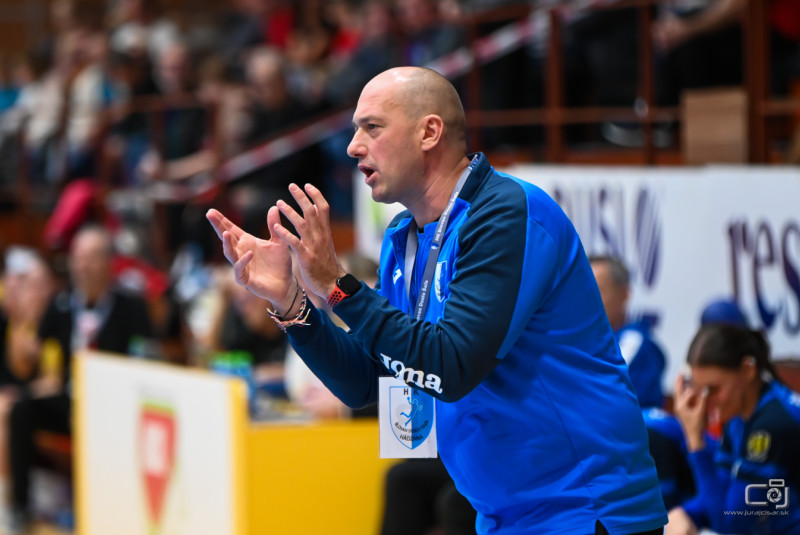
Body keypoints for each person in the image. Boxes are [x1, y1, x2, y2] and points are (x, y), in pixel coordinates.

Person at [207, 66, 667, 534]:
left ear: (429, 132)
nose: (353, 146)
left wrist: (337, 286)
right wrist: (291, 303)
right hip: (505, 516)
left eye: (372, 127)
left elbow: (451, 367)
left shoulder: (507, 213)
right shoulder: (403, 239)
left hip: (586, 509)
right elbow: (366, 381)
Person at [6, 224, 155, 533]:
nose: (82, 266)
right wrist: (23, 314)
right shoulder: (61, 305)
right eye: (77, 258)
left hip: (115, 406)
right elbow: (28, 359)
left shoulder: (130, 306)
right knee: (20, 410)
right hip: (71, 400)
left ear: (108, 263)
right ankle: (20, 508)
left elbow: (150, 356)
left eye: (90, 258)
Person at [666, 324, 800, 535]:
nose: (706, 401)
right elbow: (719, 495)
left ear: (748, 370)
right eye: (700, 390)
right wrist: (683, 513)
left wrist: (695, 440)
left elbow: (729, 523)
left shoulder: (771, 425)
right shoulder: (739, 417)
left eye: (713, 389)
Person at [590, 255, 667, 409]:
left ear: (624, 294)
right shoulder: (579, 341)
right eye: (584, 290)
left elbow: (593, 396)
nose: (589, 300)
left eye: (598, 290)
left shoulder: (634, 343)